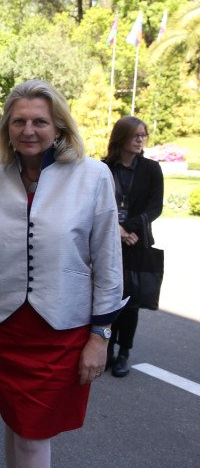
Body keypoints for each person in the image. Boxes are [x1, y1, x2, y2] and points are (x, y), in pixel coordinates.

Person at [0, 79, 126, 468]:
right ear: (6, 129)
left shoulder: (93, 176)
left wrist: (100, 337)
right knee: (17, 426)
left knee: (34, 435)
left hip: (62, 333)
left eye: (39, 122)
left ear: (60, 127)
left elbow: (108, 263)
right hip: (3, 328)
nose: (28, 131)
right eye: (18, 122)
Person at [103, 116, 163, 377]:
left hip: (137, 242)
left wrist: (131, 228)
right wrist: (117, 229)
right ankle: (105, 348)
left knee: (132, 300)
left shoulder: (151, 168)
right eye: (135, 135)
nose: (140, 140)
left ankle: (124, 351)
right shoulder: (104, 168)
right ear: (121, 137)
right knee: (107, 295)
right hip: (107, 240)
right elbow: (97, 204)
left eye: (143, 135)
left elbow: (155, 207)